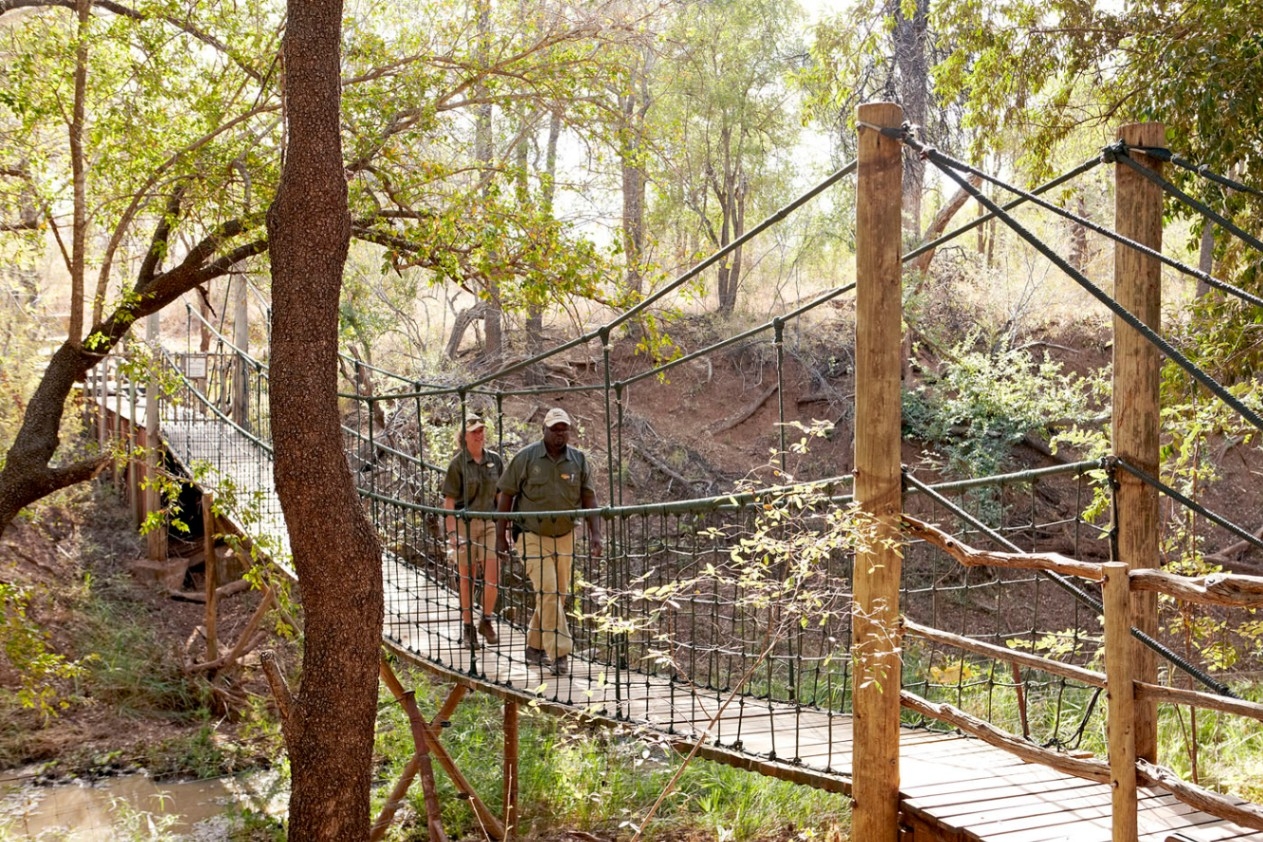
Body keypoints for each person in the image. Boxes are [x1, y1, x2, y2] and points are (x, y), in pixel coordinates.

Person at [496, 407, 602, 676]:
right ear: (544, 430)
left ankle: (533, 646)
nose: (559, 433)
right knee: (549, 591)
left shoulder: (578, 460)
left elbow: (589, 498)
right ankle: (560, 654)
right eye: (554, 429)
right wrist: (501, 536)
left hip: (565, 535)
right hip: (531, 534)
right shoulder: (526, 458)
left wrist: (596, 535)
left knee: (557, 595)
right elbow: (506, 495)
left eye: (563, 428)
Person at [442, 414, 504, 650]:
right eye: (474, 432)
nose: (479, 435)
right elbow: (449, 502)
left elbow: (500, 496)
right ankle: (468, 629)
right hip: (464, 524)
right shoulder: (457, 465)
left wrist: (504, 529)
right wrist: (452, 535)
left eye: (481, 431)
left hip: (489, 522)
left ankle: (486, 619)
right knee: (467, 579)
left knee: (492, 577)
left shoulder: (495, 460)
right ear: (465, 437)